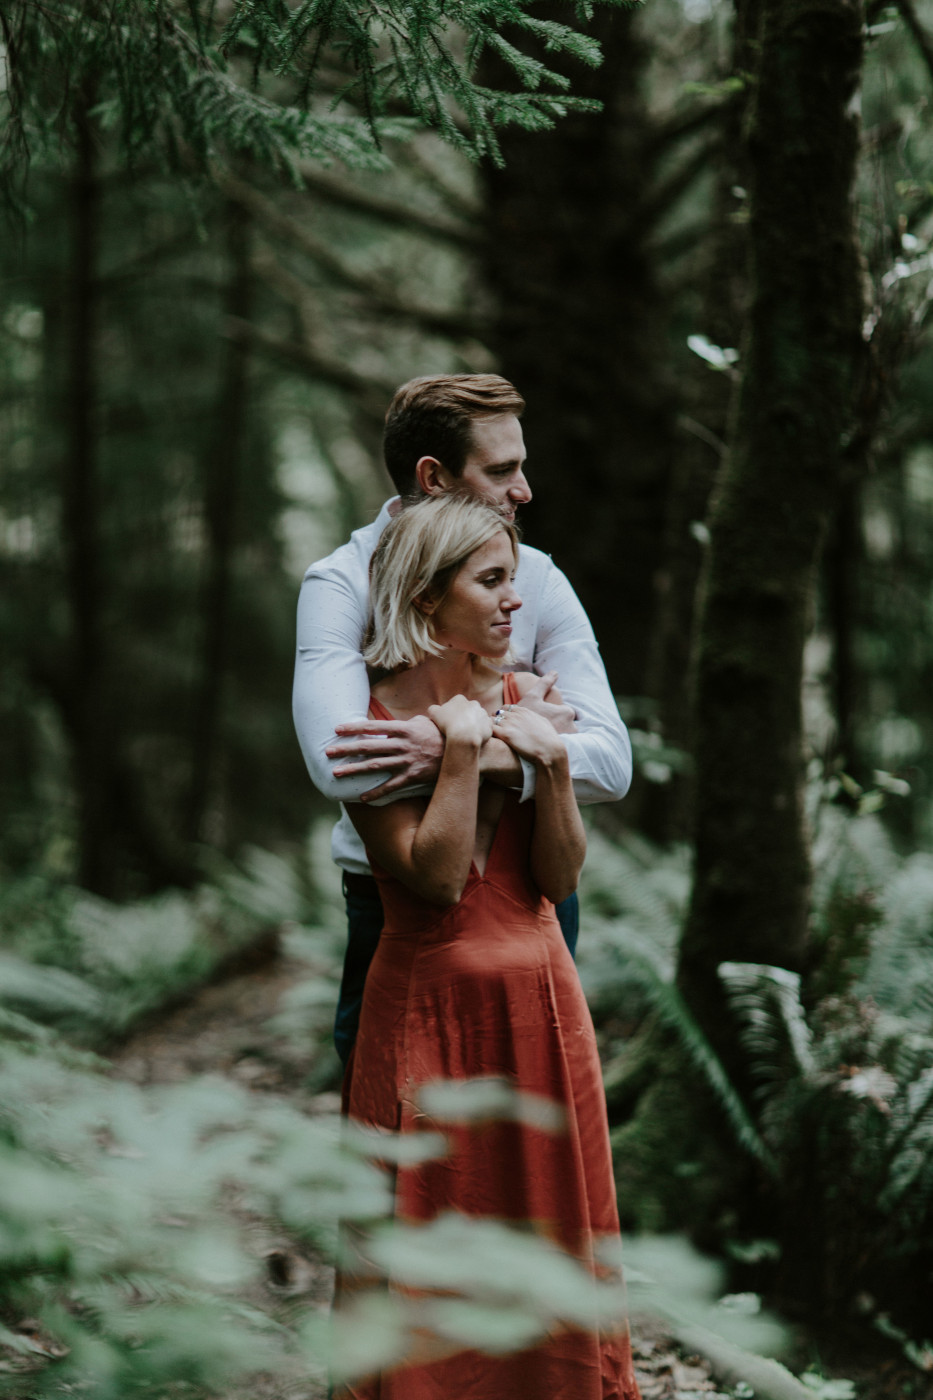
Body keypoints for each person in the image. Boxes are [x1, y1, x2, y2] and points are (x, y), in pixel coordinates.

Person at [333, 492, 641, 1399]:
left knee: (551, 1232)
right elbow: (430, 881)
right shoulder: (366, 725)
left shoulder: (524, 700)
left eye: (514, 580)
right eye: (493, 581)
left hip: (544, 1010)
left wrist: (546, 763)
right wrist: (461, 755)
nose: (517, 602)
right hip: (428, 1018)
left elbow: (556, 878)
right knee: (433, 1243)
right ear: (428, 598)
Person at [292, 374, 631, 1064]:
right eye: (502, 469)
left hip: (533, 895)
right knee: (393, 1122)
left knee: (536, 1113)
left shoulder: (535, 577)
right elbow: (342, 767)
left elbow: (611, 762)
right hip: (397, 905)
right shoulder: (343, 582)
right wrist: (518, 727)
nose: (524, 490)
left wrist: (457, 745)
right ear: (434, 477)